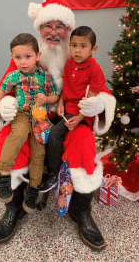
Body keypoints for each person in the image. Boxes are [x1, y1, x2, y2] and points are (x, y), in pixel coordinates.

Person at [0, 0, 116, 251]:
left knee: (83, 142)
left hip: (70, 117)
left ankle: (81, 210)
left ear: (69, 31)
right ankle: (14, 206)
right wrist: (5, 106)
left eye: (60, 26)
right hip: (30, 117)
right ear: (39, 29)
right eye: (48, 25)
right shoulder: (28, 55)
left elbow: (103, 92)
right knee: (6, 139)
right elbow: (5, 86)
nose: (54, 32)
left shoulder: (79, 54)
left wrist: (99, 105)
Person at [0, 33, 59, 213]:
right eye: (18, 57)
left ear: (38, 56)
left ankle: (33, 189)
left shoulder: (46, 76)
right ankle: (3, 176)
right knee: (16, 136)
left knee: (38, 153)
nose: (23, 62)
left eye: (28, 57)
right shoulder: (13, 76)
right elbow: (3, 89)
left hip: (40, 119)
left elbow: (56, 96)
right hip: (22, 114)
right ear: (12, 57)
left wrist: (47, 99)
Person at [39, 26, 107, 193]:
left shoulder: (94, 69)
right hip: (67, 109)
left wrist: (79, 118)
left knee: (55, 134)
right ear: (69, 46)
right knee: (45, 129)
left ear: (93, 49)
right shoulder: (69, 65)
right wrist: (61, 102)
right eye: (74, 45)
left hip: (82, 112)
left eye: (83, 46)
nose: (78, 50)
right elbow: (66, 88)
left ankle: (53, 173)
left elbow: (91, 100)